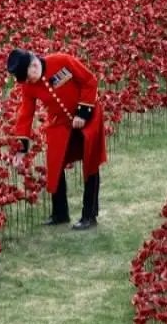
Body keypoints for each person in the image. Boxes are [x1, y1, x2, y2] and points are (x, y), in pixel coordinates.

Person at [6, 49, 107, 230]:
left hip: (88, 116)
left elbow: (90, 81)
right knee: (55, 164)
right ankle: (60, 214)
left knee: (90, 164)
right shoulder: (28, 85)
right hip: (60, 123)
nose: (27, 83)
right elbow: (25, 114)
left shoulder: (62, 61)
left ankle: (89, 216)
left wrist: (83, 113)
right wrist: (21, 149)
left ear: (35, 66)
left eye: (28, 78)